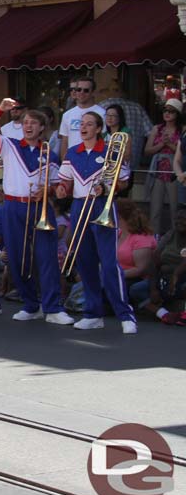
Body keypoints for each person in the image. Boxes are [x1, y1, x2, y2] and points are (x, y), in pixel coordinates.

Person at [54, 111, 137, 333]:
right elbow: (65, 183)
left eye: (89, 124)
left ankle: (125, 314)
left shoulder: (111, 150)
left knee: (109, 263)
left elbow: (123, 181)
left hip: (102, 206)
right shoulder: (73, 153)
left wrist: (107, 188)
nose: (84, 127)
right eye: (82, 124)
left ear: (98, 129)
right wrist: (62, 190)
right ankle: (93, 313)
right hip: (80, 206)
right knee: (85, 262)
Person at [0, 102, 71, 324]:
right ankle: (30, 304)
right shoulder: (10, 145)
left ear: (42, 128)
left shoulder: (51, 155)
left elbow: (59, 186)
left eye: (33, 123)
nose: (28, 126)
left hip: (40, 207)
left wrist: (50, 189)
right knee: (17, 258)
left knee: (46, 257)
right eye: (25, 122)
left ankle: (53, 307)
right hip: (12, 205)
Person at [133, 209, 186, 324]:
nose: (179, 222)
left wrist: (176, 274)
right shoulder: (170, 234)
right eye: (177, 219)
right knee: (136, 290)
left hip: (182, 279)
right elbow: (154, 260)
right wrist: (153, 289)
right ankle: (164, 314)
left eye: (183, 219)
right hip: (164, 278)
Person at [146, 99, 183, 234]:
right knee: (155, 209)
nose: (167, 113)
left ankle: (176, 237)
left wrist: (169, 144)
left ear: (177, 113)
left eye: (171, 111)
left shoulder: (182, 130)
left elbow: (183, 152)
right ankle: (154, 237)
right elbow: (147, 150)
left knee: (175, 209)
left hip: (175, 172)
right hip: (158, 170)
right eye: (165, 110)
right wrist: (161, 144)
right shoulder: (157, 128)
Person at [115, 198, 156, 312]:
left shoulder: (141, 238)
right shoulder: (118, 233)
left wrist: (113, 275)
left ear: (119, 215)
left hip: (135, 279)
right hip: (118, 275)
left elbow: (140, 269)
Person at [58, 77, 106, 159]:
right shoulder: (67, 114)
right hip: (72, 160)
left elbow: (105, 139)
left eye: (86, 90)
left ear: (93, 93)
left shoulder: (102, 113)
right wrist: (64, 161)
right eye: (78, 89)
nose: (81, 92)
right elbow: (65, 141)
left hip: (94, 159)